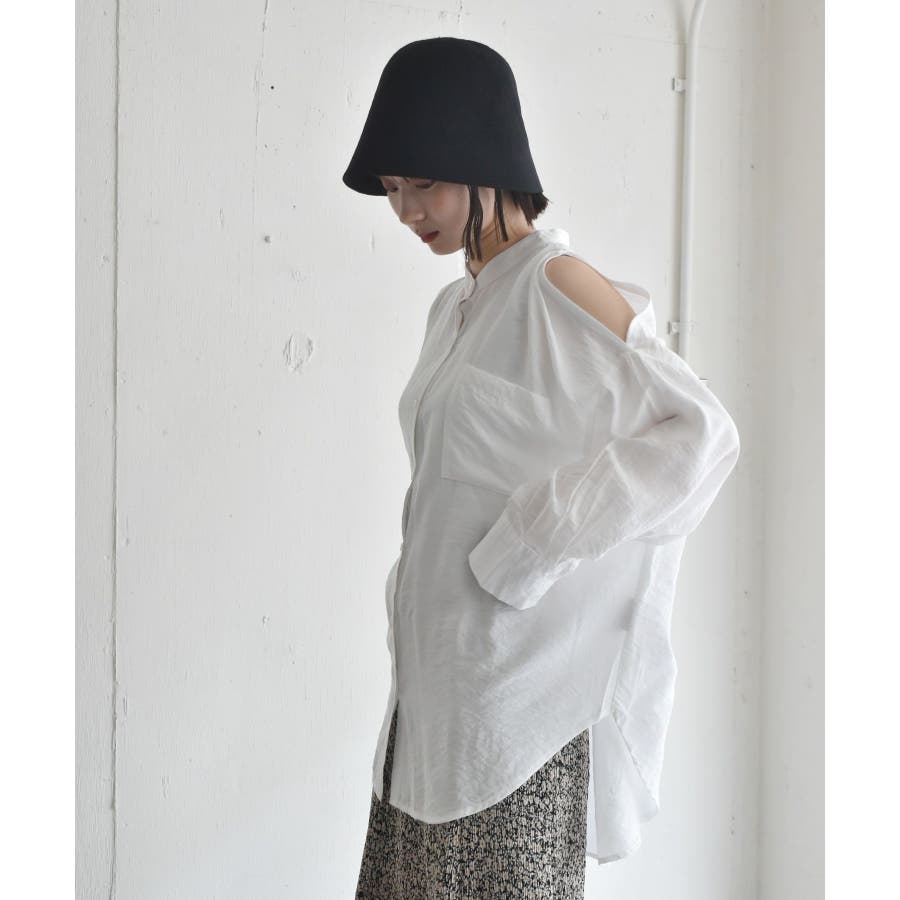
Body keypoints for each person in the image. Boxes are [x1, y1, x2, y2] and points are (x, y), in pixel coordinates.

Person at [344, 37, 741, 900]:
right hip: (431, 709)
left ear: (484, 161)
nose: (406, 209)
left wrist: (529, 544)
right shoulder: (454, 307)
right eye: (393, 187)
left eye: (424, 182)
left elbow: (701, 431)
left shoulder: (555, 283)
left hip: (512, 714)